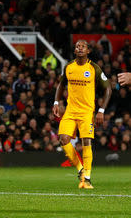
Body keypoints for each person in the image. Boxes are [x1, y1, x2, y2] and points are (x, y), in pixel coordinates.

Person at [53, 40, 111, 189]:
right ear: (75, 50)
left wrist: (101, 111)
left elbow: (108, 89)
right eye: (77, 46)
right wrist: (56, 102)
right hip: (70, 111)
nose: (79, 48)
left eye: (82, 46)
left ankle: (88, 178)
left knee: (86, 141)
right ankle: (80, 170)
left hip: (86, 112)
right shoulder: (69, 67)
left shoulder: (94, 68)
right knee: (63, 139)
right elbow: (61, 84)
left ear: (88, 51)